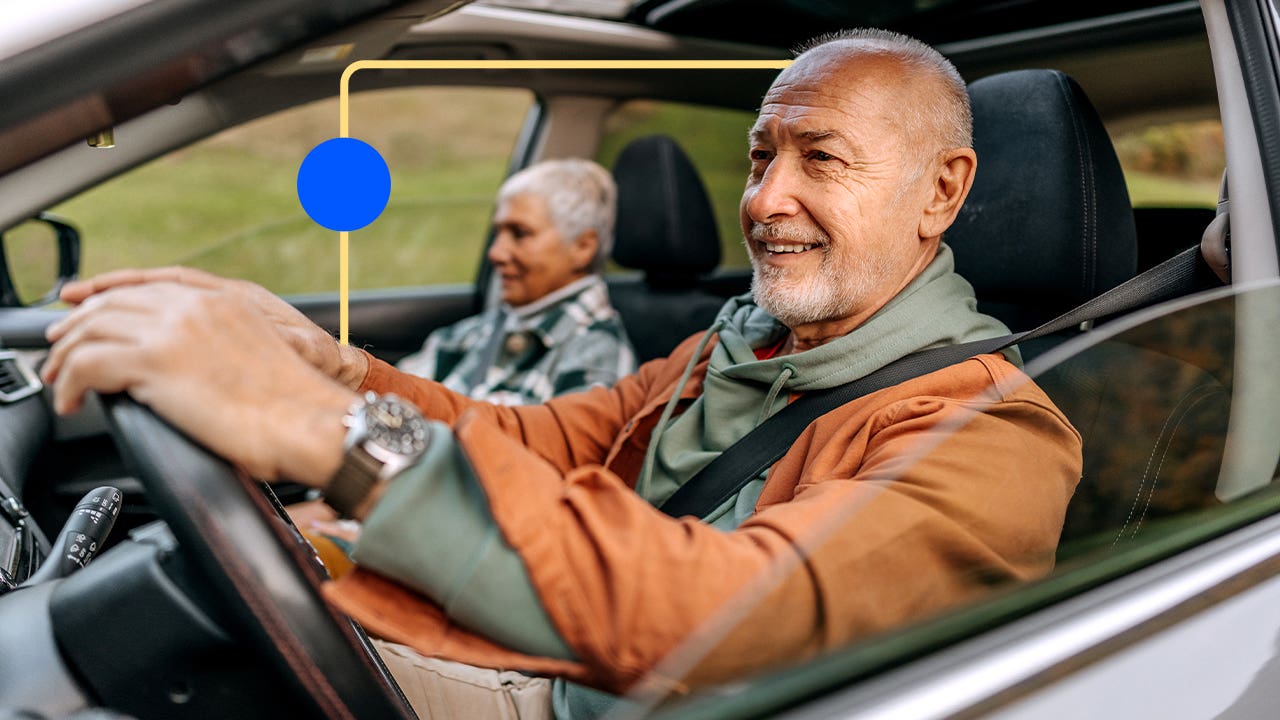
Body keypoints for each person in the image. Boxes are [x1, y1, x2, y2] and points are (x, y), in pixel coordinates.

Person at [41, 28, 1082, 719]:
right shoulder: (734, 346)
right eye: (760, 157)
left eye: (820, 159)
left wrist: (325, 434)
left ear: (940, 191)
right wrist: (335, 371)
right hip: (540, 654)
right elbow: (527, 442)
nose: (764, 200)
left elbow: (720, 613)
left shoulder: (992, 437)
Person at [396, 158, 636, 406]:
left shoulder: (597, 361)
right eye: (497, 234)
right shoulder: (469, 335)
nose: (496, 253)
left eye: (520, 233)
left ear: (583, 247)